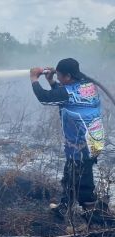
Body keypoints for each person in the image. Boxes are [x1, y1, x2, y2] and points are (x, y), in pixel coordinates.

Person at [30, 58, 114, 226]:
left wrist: (34, 79)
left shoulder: (67, 92)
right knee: (71, 174)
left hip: (82, 145)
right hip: (92, 140)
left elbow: (46, 98)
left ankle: (93, 216)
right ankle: (64, 207)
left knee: (82, 182)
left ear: (68, 76)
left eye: (60, 76)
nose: (59, 78)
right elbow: (64, 95)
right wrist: (52, 81)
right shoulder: (88, 85)